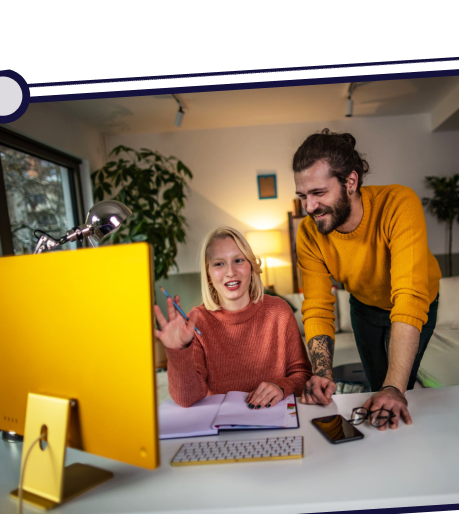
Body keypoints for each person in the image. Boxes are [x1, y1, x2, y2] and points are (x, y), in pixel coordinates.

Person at [293, 129, 442, 430]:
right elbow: (318, 307)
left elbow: (409, 298)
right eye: (303, 196)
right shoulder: (309, 235)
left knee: (398, 388)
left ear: (350, 182)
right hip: (364, 306)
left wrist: (394, 388)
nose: (309, 207)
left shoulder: (398, 204)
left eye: (318, 193)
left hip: (417, 300)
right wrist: (322, 372)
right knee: (378, 387)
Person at [155, 226, 312, 408]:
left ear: (251, 266)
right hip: (222, 427)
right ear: (208, 273)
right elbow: (186, 399)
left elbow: (302, 375)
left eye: (238, 260)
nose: (230, 272)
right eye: (219, 263)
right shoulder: (197, 322)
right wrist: (178, 353)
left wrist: (281, 386)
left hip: (276, 418)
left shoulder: (279, 311)